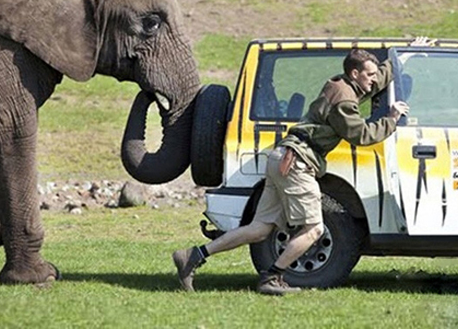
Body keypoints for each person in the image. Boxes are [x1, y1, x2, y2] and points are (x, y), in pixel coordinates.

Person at [173, 38, 432, 295]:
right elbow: (360, 135)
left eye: (376, 75)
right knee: (315, 229)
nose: (374, 81)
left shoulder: (341, 85)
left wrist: (402, 59)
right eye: (369, 75)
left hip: (283, 157)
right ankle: (271, 277)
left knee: (260, 228)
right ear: (355, 74)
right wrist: (392, 118)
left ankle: (193, 255)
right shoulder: (344, 101)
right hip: (297, 163)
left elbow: (375, 81)